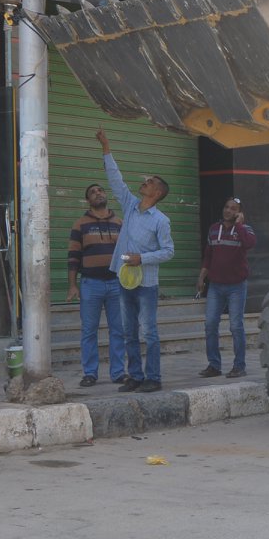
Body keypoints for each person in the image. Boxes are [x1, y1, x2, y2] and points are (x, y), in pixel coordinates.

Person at [97, 128, 174, 393]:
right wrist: (106, 146)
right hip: (124, 279)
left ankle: (154, 377)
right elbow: (116, 180)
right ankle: (135, 376)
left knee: (149, 332)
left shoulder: (161, 221)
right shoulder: (130, 205)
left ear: (157, 193)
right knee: (128, 331)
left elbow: (169, 251)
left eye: (150, 181)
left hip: (147, 284)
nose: (145, 181)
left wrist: (143, 258)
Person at [67, 182, 124, 387]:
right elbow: (73, 256)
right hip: (91, 285)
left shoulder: (119, 222)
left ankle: (118, 373)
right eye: (93, 192)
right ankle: (90, 373)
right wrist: (72, 285)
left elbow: (127, 252)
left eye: (100, 190)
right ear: (88, 200)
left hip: (117, 284)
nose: (98, 193)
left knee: (118, 330)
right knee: (89, 330)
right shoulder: (80, 224)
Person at [196, 197, 255, 378]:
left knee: (236, 326)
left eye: (233, 208)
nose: (228, 210)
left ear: (239, 212)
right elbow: (208, 256)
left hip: (236, 286)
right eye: (226, 207)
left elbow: (249, 244)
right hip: (216, 286)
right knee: (210, 324)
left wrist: (238, 225)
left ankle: (239, 366)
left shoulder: (245, 230)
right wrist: (201, 277)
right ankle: (214, 365)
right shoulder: (214, 229)